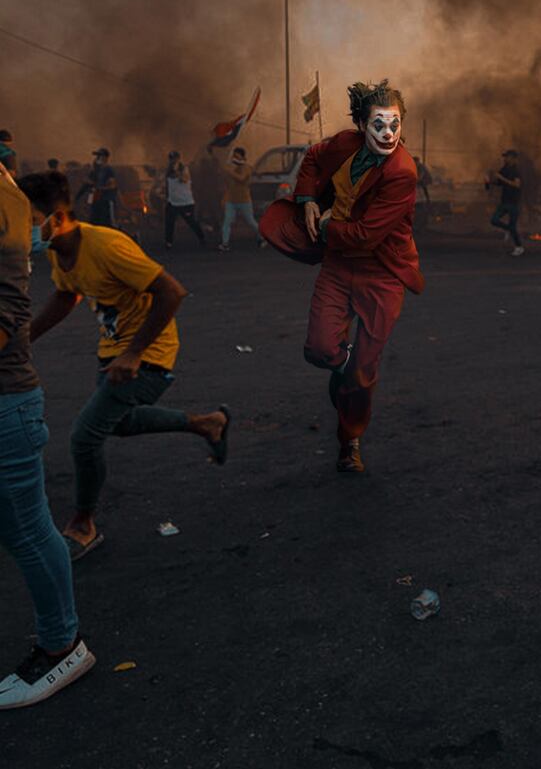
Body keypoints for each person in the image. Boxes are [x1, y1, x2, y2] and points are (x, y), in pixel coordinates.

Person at [16, 172, 232, 561]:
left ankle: (84, 524)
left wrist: (133, 353)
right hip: (112, 350)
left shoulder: (107, 245)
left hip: (149, 354)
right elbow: (67, 296)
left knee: (84, 437)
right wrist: (24, 338)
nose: (25, 226)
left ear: (59, 216)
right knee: (122, 422)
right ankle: (207, 423)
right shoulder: (57, 248)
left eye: (31, 217)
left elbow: (172, 291)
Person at [261, 80, 423, 473]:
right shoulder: (345, 144)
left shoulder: (402, 172)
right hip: (339, 264)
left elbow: (366, 235)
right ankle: (344, 368)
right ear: (361, 125)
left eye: (395, 125)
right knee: (320, 350)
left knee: (363, 373)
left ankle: (349, 441)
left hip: (381, 272)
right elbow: (314, 158)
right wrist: (307, 201)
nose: (388, 134)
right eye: (379, 125)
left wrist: (326, 223)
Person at [0, 162, 95, 707]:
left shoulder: (5, 201)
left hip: (6, 401)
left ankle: (63, 646)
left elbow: (9, 307)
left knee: (29, 529)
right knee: (18, 528)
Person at [217, 146, 264, 252]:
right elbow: (227, 184)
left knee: (251, 221)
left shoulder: (246, 167)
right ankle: (225, 244)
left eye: (237, 156)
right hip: (231, 200)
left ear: (242, 157)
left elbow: (241, 178)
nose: (234, 158)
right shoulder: (232, 168)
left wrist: (229, 171)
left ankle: (261, 237)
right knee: (227, 221)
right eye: (234, 156)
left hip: (244, 201)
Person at [164, 151, 205, 249]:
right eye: (171, 159)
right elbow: (168, 184)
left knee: (191, 222)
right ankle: (168, 242)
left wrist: (176, 171)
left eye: (174, 158)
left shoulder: (184, 168)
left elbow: (185, 179)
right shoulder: (168, 171)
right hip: (173, 202)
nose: (172, 161)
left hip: (185, 202)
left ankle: (202, 237)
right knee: (169, 222)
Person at [487, 149, 524, 256]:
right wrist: (490, 181)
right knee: (494, 220)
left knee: (512, 226)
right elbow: (499, 182)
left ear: (513, 158)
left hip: (513, 202)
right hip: (504, 201)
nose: (505, 159)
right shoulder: (504, 169)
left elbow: (517, 185)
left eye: (507, 157)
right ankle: (507, 229)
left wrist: (502, 178)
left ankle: (519, 247)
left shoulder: (516, 171)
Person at [76, 148, 118, 227]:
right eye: (97, 156)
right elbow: (87, 184)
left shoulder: (108, 170)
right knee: (94, 222)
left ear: (105, 158)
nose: (97, 158)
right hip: (96, 201)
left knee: (107, 223)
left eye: (99, 156)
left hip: (106, 201)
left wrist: (100, 188)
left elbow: (113, 186)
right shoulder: (95, 171)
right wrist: (77, 197)